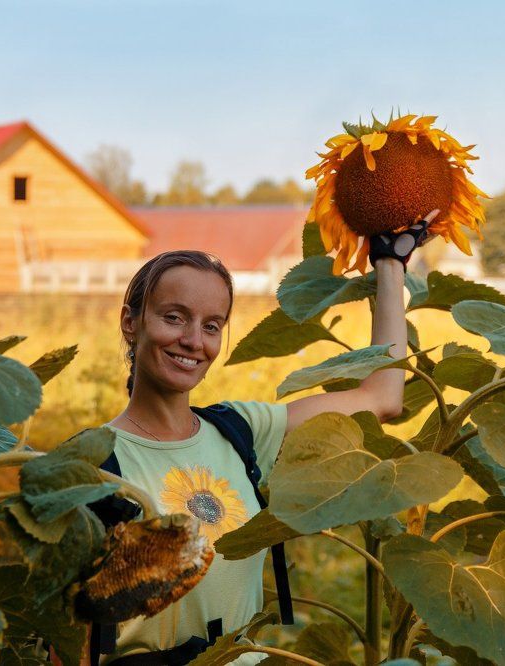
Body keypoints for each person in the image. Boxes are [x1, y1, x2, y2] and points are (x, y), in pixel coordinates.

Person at [90, 210, 438, 664]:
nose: (194, 340)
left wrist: (390, 264)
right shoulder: (94, 462)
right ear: (131, 322)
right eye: (174, 317)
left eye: (212, 325)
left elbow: (383, 396)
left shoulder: (239, 430)